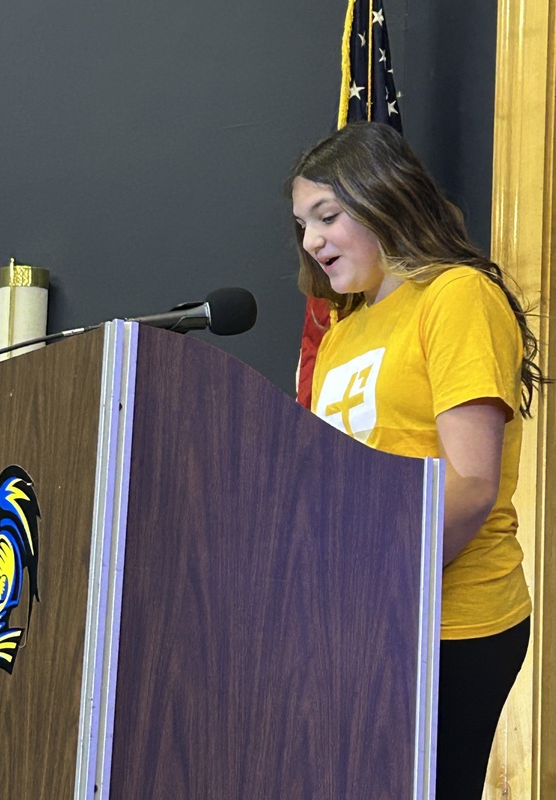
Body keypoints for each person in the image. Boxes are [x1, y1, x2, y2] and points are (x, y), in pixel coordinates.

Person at [288, 120, 544, 800]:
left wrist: (376, 597)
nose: (312, 241)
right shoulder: (342, 335)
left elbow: (470, 484)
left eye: (328, 216)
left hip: (453, 622)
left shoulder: (456, 295)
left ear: (384, 199)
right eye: (302, 225)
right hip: (364, 618)